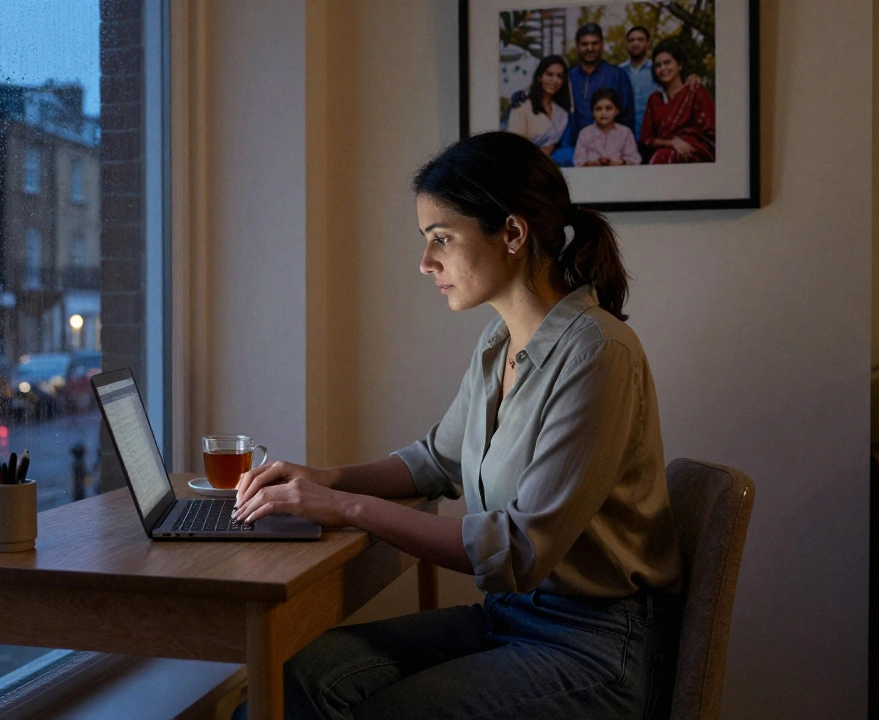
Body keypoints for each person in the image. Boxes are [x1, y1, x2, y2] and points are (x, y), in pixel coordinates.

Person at [232, 131, 684, 719]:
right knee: (294, 684)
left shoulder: (599, 354)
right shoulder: (498, 345)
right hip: (510, 618)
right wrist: (324, 478)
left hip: (593, 644)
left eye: (441, 238)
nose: (426, 263)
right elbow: (435, 461)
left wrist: (342, 507)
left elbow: (520, 551)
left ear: (514, 234)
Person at [640, 40, 716, 164]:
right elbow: (647, 139)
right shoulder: (654, 99)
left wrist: (688, 144)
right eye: (658, 65)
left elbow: (710, 132)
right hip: (664, 156)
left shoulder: (694, 90)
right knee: (663, 156)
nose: (663, 68)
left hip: (696, 156)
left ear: (679, 65)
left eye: (667, 63)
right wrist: (673, 143)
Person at [567, 22, 635, 140]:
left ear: (602, 45)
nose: (590, 48)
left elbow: (627, 118)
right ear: (577, 47)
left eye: (594, 43)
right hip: (576, 148)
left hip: (611, 147)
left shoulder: (618, 75)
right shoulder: (570, 77)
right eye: (584, 44)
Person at [505, 55, 571, 157]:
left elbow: (553, 146)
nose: (554, 80)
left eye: (559, 76)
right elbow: (514, 144)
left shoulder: (561, 113)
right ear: (539, 77)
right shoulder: (522, 106)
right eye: (549, 74)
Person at [574, 88, 642, 167]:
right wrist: (595, 163)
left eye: (608, 108)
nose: (603, 113)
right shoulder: (585, 133)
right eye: (598, 109)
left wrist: (619, 164)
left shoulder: (625, 132)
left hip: (620, 175)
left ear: (616, 111)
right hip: (592, 175)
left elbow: (635, 160)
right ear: (592, 112)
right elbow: (578, 161)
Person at [618, 25, 661, 138]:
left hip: (654, 135)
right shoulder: (619, 72)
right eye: (631, 40)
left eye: (640, 40)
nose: (636, 43)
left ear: (648, 44)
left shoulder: (657, 69)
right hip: (625, 136)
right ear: (627, 45)